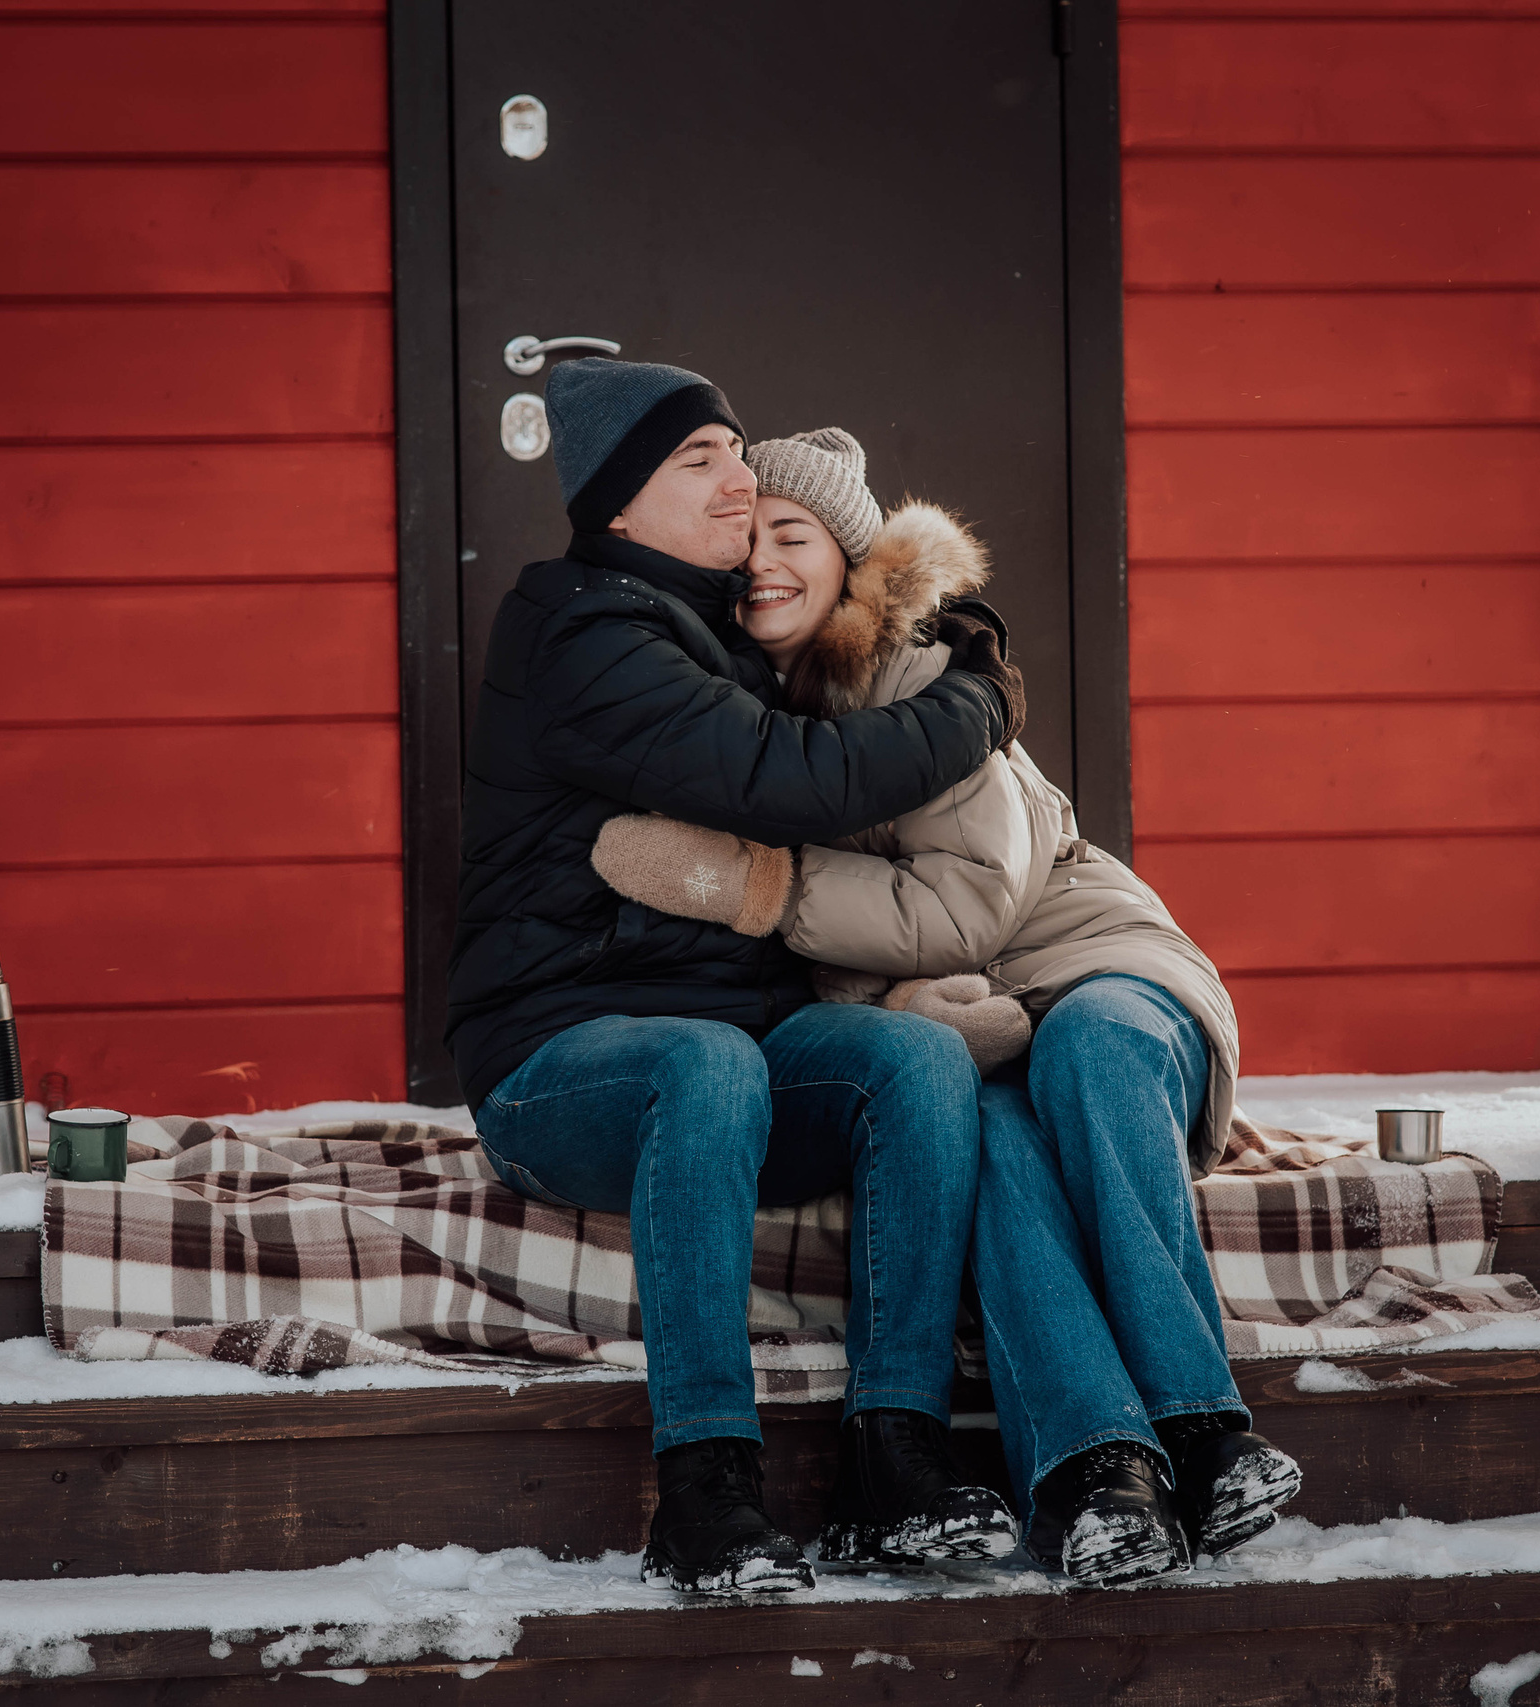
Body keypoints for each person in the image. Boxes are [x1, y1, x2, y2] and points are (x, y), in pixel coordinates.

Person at [589, 427, 1304, 1588]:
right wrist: (905, 1004)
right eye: (746, 541)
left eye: (794, 535)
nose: (764, 562)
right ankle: (1095, 1475)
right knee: (998, 1157)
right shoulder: (742, 724)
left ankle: (1205, 1432)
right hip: (972, 1021)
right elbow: (829, 978)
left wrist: (766, 888)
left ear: (850, 556)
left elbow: (971, 905)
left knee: (1083, 1051)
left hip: (1093, 964)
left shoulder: (921, 677)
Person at [450, 362, 1026, 1596]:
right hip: (558, 1068)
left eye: (734, 450)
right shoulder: (582, 633)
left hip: (738, 1056)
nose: (739, 477)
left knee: (913, 1060)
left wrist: (935, 630)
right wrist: (979, 697)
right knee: (701, 1063)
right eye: (699, 460)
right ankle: (705, 1493)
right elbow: (791, 779)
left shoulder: (710, 623)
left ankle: (895, 1465)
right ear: (618, 505)